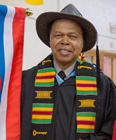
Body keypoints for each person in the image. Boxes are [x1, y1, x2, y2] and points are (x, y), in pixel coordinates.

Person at [21, 4, 115, 140]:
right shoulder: (26, 80)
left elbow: (107, 133)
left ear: (82, 44)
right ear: (50, 40)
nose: (64, 41)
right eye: (58, 35)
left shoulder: (102, 85)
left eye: (72, 36)